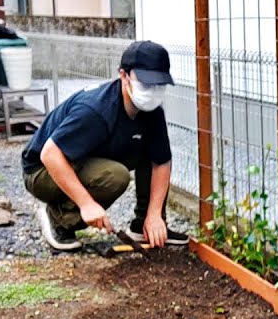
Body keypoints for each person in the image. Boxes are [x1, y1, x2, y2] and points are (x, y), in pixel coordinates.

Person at [22, 40, 188, 251]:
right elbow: (50, 154)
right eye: (146, 83)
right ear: (123, 75)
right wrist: (86, 204)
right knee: (115, 176)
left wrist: (154, 214)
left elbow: (162, 161)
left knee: (149, 146)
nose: (153, 91)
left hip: (83, 157)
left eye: (159, 84)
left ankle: (144, 226)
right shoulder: (95, 110)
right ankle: (58, 218)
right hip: (42, 172)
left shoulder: (151, 111)